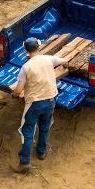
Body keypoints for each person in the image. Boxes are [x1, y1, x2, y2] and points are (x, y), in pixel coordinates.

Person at [11, 37, 67, 173]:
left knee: (27, 132)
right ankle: (41, 152)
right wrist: (66, 66)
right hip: (50, 101)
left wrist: (14, 95)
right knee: (44, 126)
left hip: (34, 104)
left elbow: (19, 90)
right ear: (39, 48)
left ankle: (24, 163)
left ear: (26, 51)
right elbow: (64, 61)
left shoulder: (26, 67)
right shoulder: (49, 59)